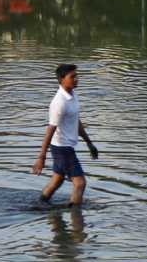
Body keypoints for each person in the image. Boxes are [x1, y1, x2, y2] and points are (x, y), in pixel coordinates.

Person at [32, 63, 98, 206]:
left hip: (62, 147)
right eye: (72, 76)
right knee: (80, 183)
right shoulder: (59, 102)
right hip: (63, 148)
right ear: (62, 79)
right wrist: (41, 157)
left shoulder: (72, 96)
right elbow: (50, 129)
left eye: (77, 76)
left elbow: (76, 121)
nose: (76, 79)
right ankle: (76, 219)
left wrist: (89, 142)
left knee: (57, 179)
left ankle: (40, 204)